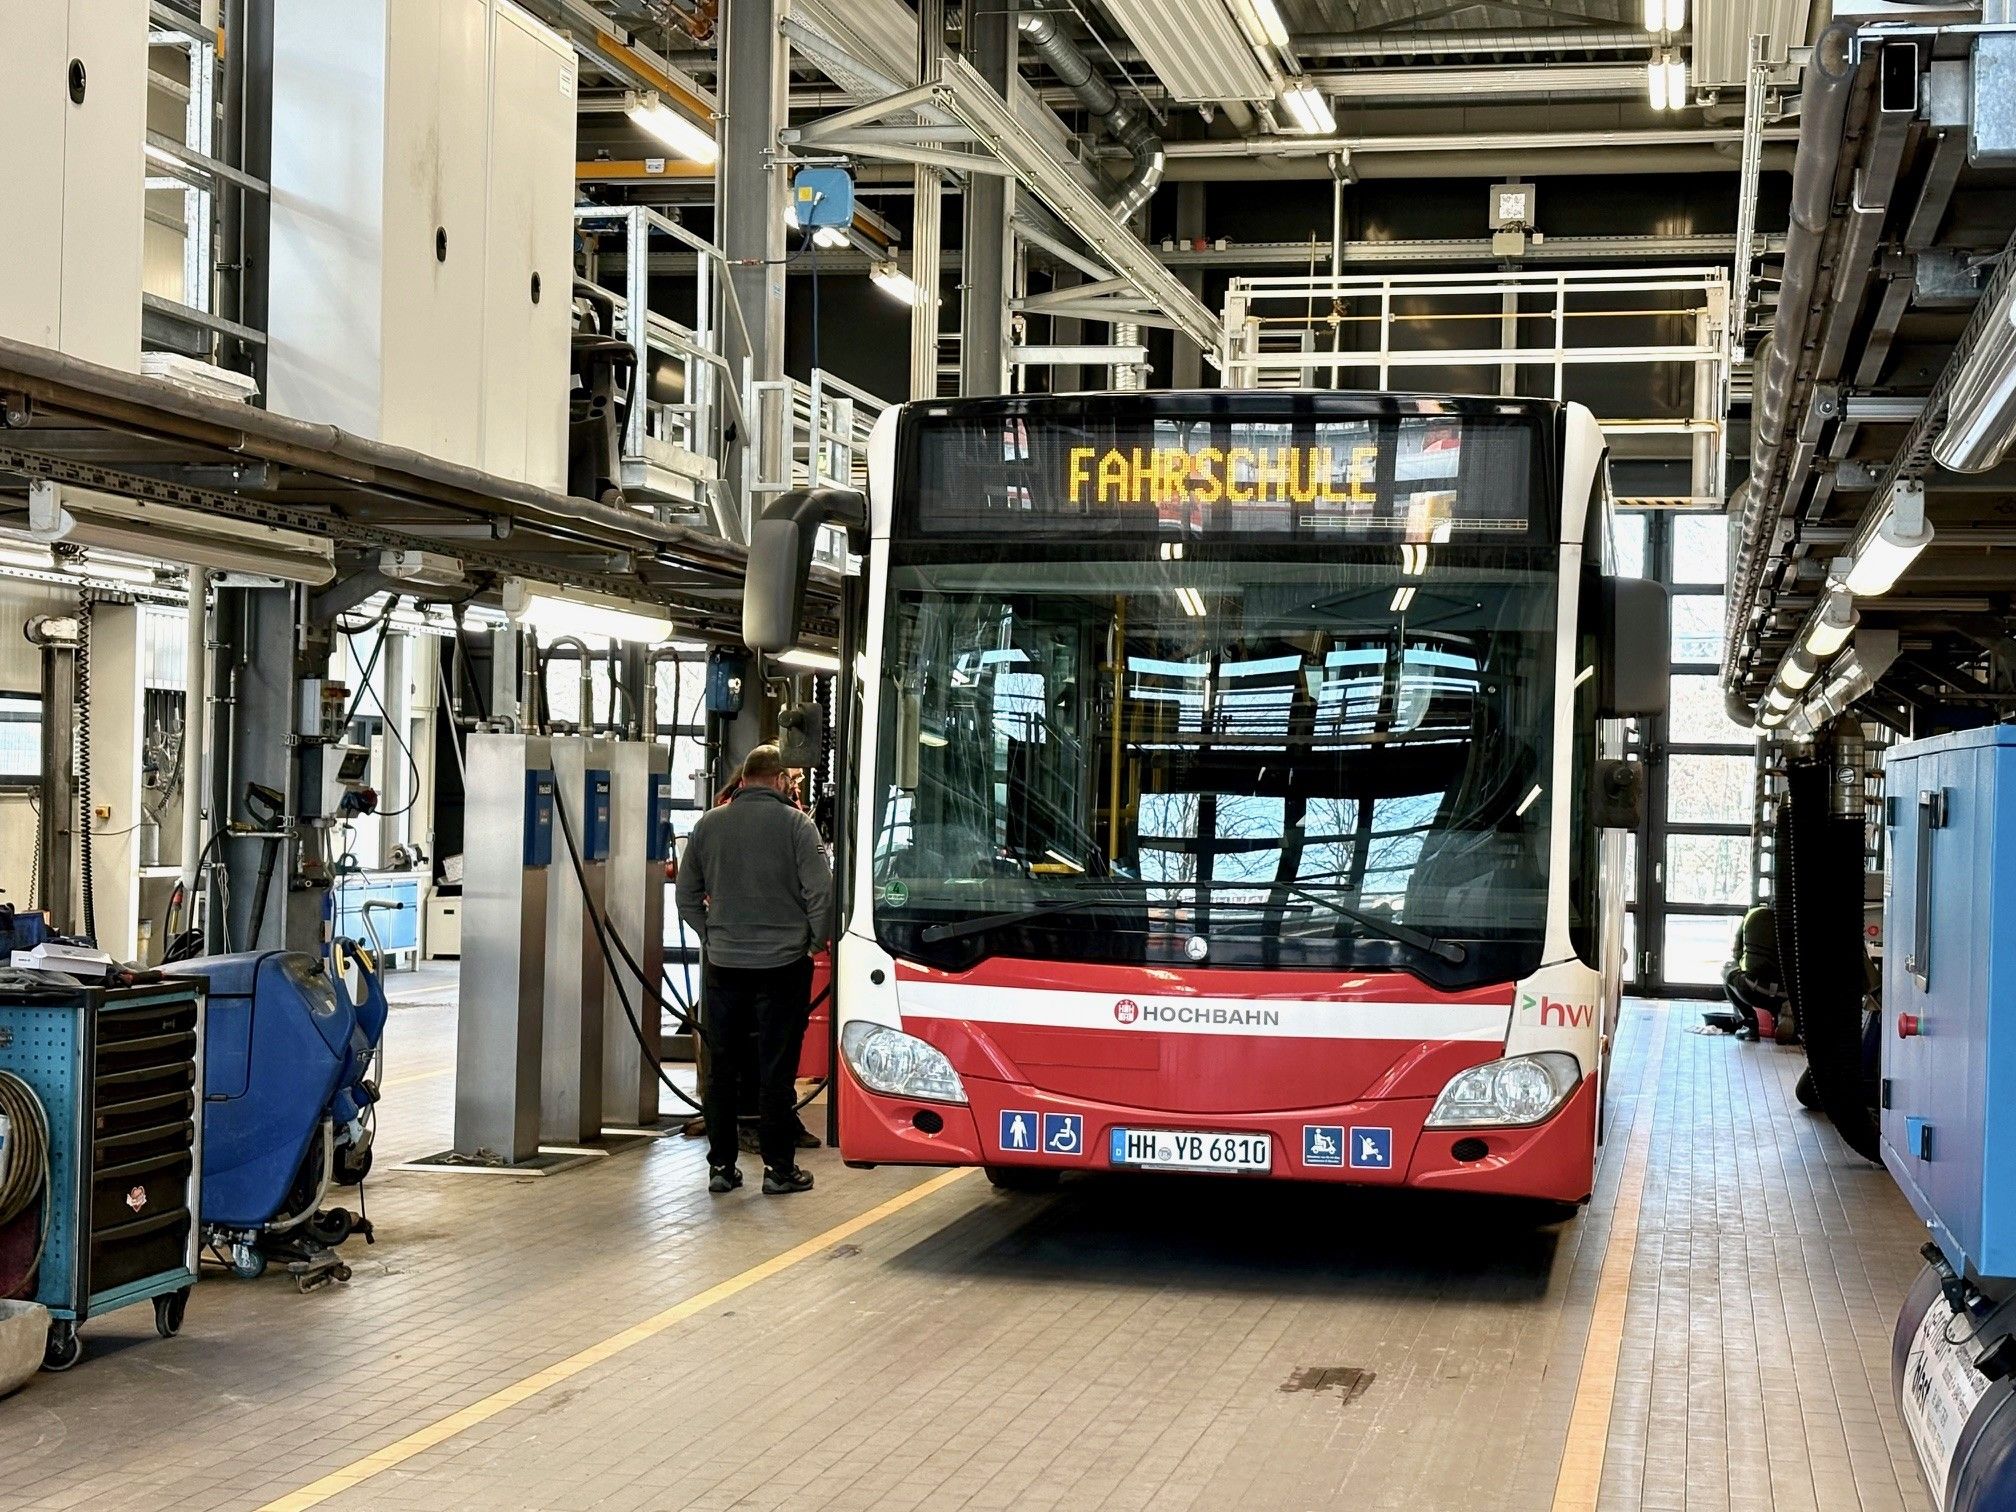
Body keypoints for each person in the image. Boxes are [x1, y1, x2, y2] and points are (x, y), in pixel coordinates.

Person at [674, 744, 832, 1195]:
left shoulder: (708, 825)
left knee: (722, 1070)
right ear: (781, 780)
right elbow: (821, 893)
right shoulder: (798, 827)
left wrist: (712, 934)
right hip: (783, 967)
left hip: (724, 966)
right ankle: (779, 1170)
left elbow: (686, 896)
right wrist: (811, 942)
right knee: (776, 1072)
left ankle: (722, 1168)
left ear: (742, 780)